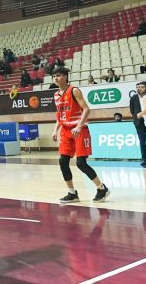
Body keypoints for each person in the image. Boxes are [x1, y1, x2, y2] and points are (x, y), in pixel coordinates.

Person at [51, 67, 110, 203]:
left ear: (66, 76)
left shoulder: (74, 90)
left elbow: (86, 109)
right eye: (54, 76)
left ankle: (102, 189)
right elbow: (60, 115)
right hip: (66, 130)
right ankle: (72, 193)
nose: (56, 78)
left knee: (81, 163)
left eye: (58, 75)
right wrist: (56, 130)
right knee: (62, 161)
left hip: (79, 129)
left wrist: (79, 125)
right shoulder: (56, 95)